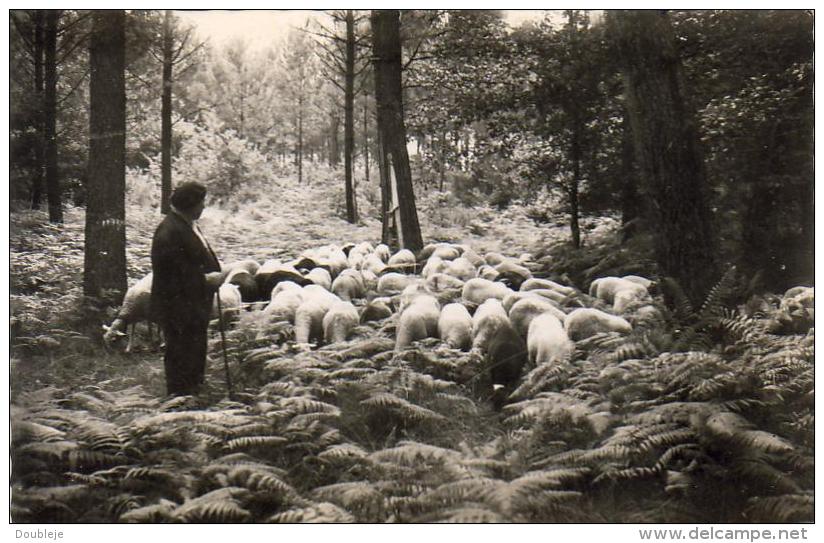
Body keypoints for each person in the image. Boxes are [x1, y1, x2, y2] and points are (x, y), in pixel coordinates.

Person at [150, 182, 223, 396]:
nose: (203, 207)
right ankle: (179, 396)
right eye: (201, 202)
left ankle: (195, 389)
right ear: (190, 204)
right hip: (178, 305)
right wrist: (206, 281)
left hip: (193, 303)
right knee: (180, 350)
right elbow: (172, 275)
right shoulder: (169, 231)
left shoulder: (187, 224)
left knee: (195, 347)